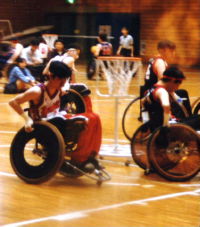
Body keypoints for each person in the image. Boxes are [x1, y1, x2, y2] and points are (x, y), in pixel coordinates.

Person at [9, 61, 102, 174]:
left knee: (94, 117)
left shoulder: (59, 89)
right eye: (61, 80)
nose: (63, 83)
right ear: (52, 76)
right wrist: (27, 119)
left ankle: (91, 155)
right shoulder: (36, 91)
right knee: (80, 121)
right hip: (44, 126)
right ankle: (78, 160)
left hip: (58, 119)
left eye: (65, 80)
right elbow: (13, 102)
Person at [142, 67, 200, 131]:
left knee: (183, 93)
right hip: (172, 126)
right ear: (172, 80)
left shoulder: (153, 88)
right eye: (178, 85)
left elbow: (178, 100)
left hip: (158, 123)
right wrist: (165, 124)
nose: (177, 88)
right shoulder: (162, 92)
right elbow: (166, 105)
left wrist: (181, 101)